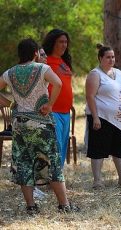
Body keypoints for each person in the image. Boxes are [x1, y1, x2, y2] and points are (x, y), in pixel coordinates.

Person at [0, 38, 79, 214]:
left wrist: (10, 103)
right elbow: (58, 83)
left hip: (19, 124)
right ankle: (64, 205)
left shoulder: (10, 73)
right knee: (52, 163)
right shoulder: (42, 68)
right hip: (41, 123)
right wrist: (50, 105)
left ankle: (31, 206)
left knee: (24, 162)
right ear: (35, 53)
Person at [85, 44, 121, 188]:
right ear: (100, 58)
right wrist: (95, 117)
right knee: (98, 149)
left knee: (119, 149)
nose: (111, 60)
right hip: (101, 118)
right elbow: (90, 96)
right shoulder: (95, 74)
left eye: (113, 57)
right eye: (108, 57)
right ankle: (97, 181)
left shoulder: (118, 73)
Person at [42, 29, 73, 168]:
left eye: (66, 42)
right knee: (56, 146)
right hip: (52, 110)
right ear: (52, 42)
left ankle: (56, 178)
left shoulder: (64, 61)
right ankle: (53, 179)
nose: (64, 45)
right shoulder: (44, 61)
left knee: (62, 146)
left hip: (66, 112)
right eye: (61, 41)